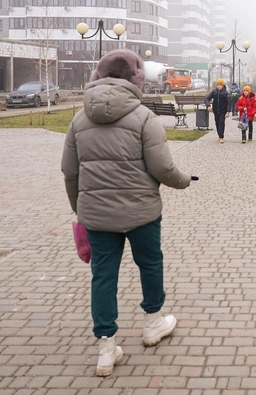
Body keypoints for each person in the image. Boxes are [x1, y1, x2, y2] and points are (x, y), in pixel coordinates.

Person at [61, 49, 195, 377]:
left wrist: (80, 208)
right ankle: (152, 324)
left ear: (98, 75)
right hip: (142, 214)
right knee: (150, 264)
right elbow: (163, 167)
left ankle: (106, 350)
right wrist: (183, 182)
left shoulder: (79, 118)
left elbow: (69, 171)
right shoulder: (143, 117)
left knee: (103, 277)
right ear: (136, 79)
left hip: (97, 216)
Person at [205, 78, 231, 142]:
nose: (219, 86)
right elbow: (207, 99)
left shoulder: (225, 93)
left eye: (220, 85)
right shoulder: (214, 92)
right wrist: (208, 105)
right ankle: (219, 135)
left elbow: (228, 103)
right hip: (216, 111)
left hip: (223, 111)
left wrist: (228, 111)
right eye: (218, 85)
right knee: (217, 123)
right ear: (216, 85)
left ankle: (221, 136)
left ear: (222, 85)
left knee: (221, 123)